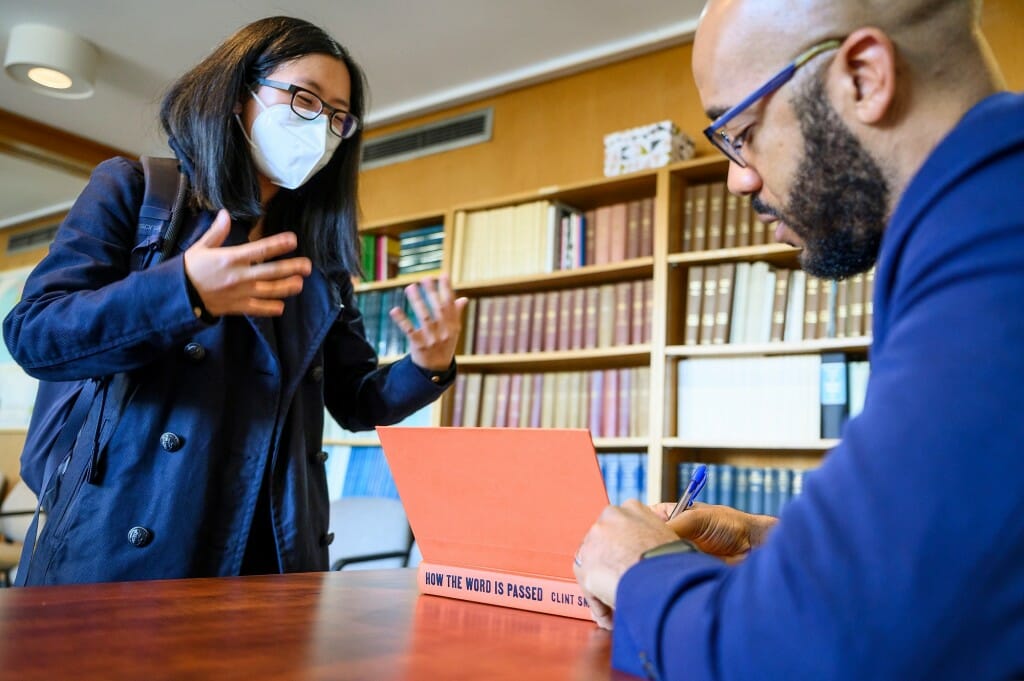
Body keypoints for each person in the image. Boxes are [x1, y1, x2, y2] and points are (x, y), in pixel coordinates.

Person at [573, 0, 1024, 678]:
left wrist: (640, 568)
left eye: (743, 130)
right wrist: (775, 541)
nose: (739, 177)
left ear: (865, 78)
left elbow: (812, 650)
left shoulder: (997, 243)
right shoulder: (980, 214)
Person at [2, 16, 466, 585]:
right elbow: (36, 335)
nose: (321, 126)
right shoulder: (137, 190)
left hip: (272, 545)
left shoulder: (317, 255)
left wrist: (428, 367)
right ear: (237, 92)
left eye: (338, 116)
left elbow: (355, 402)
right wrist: (184, 291)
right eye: (305, 99)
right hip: (132, 535)